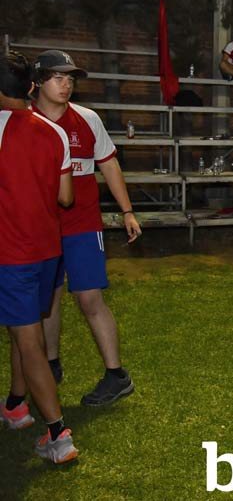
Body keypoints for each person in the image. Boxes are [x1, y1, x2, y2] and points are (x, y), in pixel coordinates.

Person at [32, 50, 139, 406]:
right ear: (38, 81)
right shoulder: (23, 121)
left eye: (70, 79)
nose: (66, 85)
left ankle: (116, 375)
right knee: (47, 300)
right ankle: (50, 365)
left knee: (90, 298)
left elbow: (109, 164)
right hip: (41, 226)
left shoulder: (87, 118)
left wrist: (127, 210)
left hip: (82, 223)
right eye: (58, 78)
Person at [0, 51, 78, 463]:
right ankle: (16, 405)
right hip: (48, 250)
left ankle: (58, 434)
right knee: (24, 328)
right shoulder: (55, 132)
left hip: (12, 252)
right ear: (32, 86)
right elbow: (65, 197)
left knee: (29, 341)